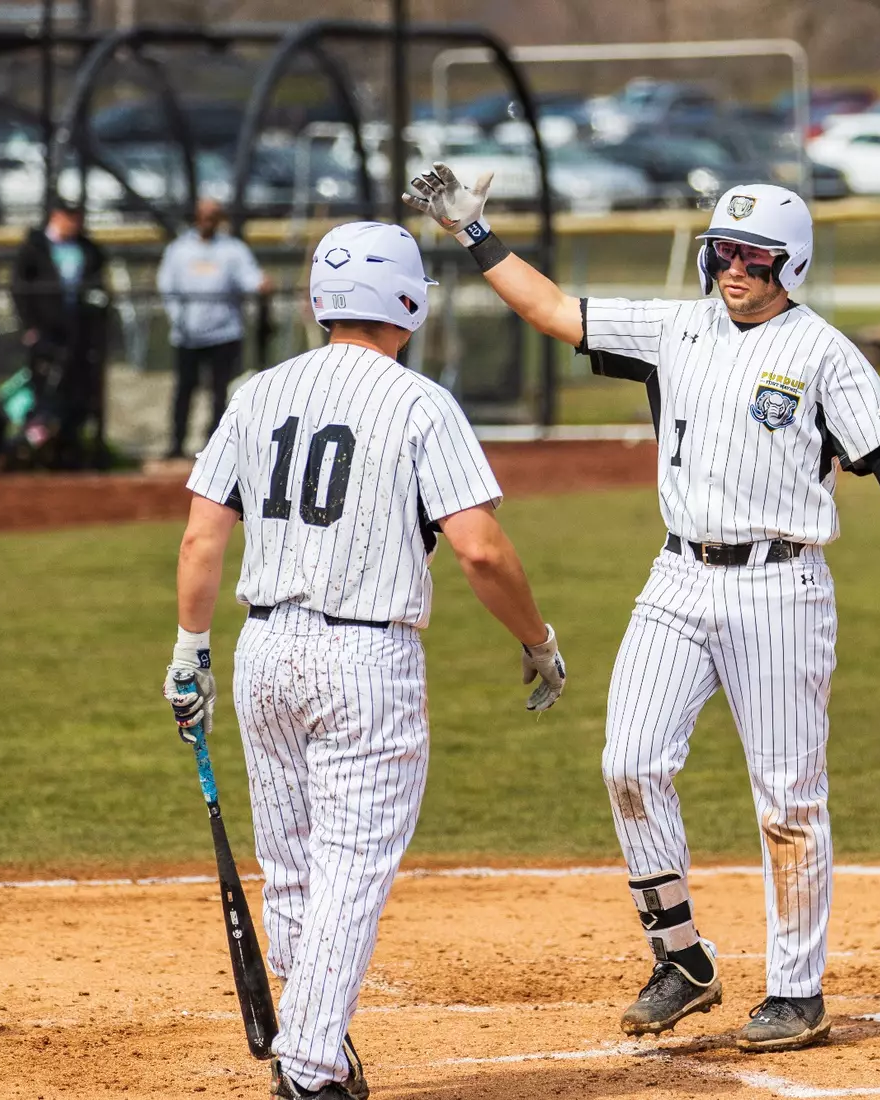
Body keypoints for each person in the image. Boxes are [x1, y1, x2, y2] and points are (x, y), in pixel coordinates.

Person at [404, 167, 880, 1053]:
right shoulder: (677, 328)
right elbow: (554, 311)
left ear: (791, 264)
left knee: (788, 801)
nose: (734, 268)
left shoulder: (823, 352)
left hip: (781, 588)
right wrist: (473, 233)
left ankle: (796, 991)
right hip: (676, 578)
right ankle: (682, 957)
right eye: (723, 252)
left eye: (754, 256)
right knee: (629, 763)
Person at [161, 219, 567, 1099]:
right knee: (351, 866)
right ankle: (309, 1068)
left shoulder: (257, 392)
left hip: (263, 650)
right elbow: (480, 550)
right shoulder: (420, 403)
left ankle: (318, 1042)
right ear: (407, 301)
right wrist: (536, 640)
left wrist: (190, 650)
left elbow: (200, 538)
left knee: (294, 865)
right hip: (365, 659)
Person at [157, 198, 269, 458]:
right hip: (187, 335)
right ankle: (176, 444)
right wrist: (178, 319)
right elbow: (166, 286)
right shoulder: (178, 249)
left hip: (224, 333)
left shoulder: (233, 249)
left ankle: (215, 446)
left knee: (221, 392)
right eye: (204, 214)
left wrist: (261, 284)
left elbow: (249, 278)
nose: (208, 220)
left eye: (213, 215)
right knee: (184, 390)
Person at [11, 200, 109, 466]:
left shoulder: (87, 248)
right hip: (45, 332)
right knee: (44, 390)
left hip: (79, 333)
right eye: (68, 217)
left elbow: (98, 284)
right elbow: (19, 288)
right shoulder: (35, 247)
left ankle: (69, 449)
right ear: (55, 217)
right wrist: (30, 326)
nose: (73, 224)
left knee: (76, 391)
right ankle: (34, 451)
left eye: (76, 218)